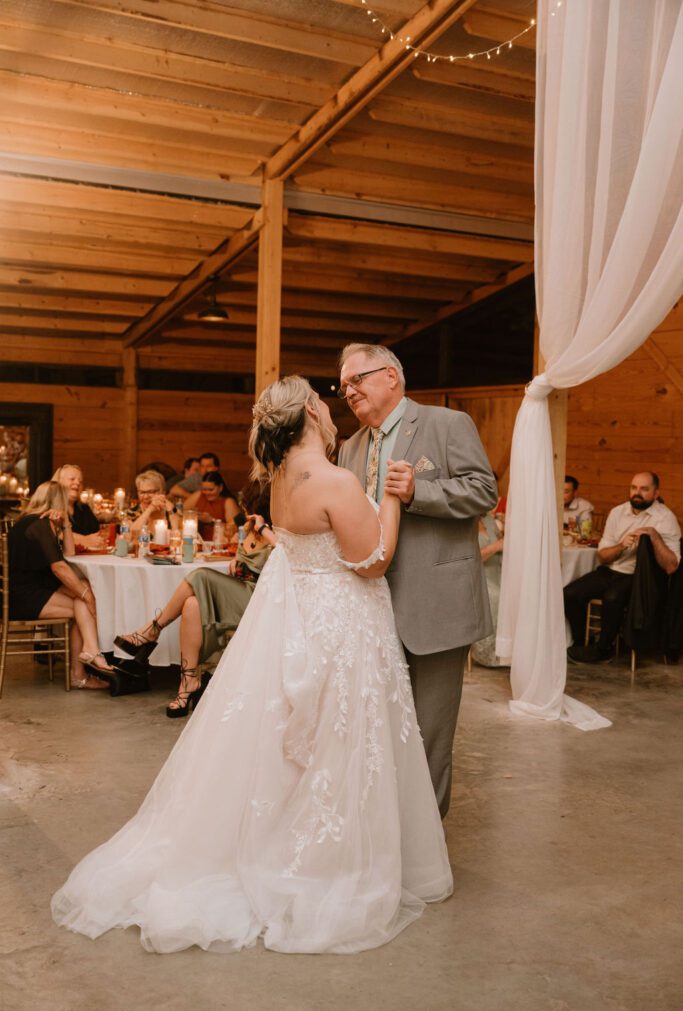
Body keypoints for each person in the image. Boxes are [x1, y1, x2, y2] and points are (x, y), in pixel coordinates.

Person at [51, 375, 452, 955]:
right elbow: (372, 561)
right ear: (312, 414)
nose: (332, 409)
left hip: (301, 618)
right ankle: (322, 860)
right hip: (341, 622)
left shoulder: (283, 480)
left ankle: (278, 839)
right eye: (324, 402)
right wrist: (390, 499)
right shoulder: (334, 481)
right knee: (336, 741)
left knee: (296, 739)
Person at [337, 343, 497, 818]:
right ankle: (383, 833)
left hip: (435, 606)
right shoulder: (350, 447)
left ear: (390, 376)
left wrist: (419, 492)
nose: (348, 392)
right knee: (379, 729)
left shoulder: (446, 424)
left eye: (356, 380)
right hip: (370, 606)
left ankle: (424, 846)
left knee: (429, 732)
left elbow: (483, 490)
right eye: (343, 386)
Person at [114, 481, 275, 717]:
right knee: (191, 604)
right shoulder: (250, 528)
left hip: (256, 598)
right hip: (237, 591)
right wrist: (237, 561)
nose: (243, 509)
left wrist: (264, 532)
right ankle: (188, 683)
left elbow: (286, 558)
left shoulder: (275, 532)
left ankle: (152, 629)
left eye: (247, 504)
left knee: (199, 575)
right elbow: (243, 558)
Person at [8, 481, 115, 689]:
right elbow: (59, 568)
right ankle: (83, 667)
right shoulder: (40, 525)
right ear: (58, 503)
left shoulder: (30, 521)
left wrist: (66, 524)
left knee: (82, 591)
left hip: (28, 590)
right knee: (82, 603)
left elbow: (70, 554)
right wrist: (86, 594)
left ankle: (88, 657)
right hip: (22, 597)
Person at [564, 472, 680, 663]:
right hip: (610, 569)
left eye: (644, 489)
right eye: (634, 488)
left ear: (656, 493)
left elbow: (671, 566)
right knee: (569, 594)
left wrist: (653, 535)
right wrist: (622, 545)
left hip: (637, 575)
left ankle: (604, 649)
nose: (637, 493)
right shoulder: (618, 512)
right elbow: (602, 556)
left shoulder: (665, 518)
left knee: (613, 597)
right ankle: (581, 641)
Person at [471, 510, 505, 668]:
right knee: (497, 597)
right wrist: (496, 546)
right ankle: (491, 653)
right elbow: (470, 558)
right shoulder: (464, 524)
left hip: (500, 573)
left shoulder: (489, 520)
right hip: (478, 578)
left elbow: (503, 543)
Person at [180, 470, 239, 541]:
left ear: (220, 487)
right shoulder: (199, 495)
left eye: (211, 490)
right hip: (198, 542)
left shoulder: (228, 502)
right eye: (204, 489)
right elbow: (181, 511)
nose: (207, 493)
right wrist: (193, 516)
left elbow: (233, 529)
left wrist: (211, 521)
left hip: (219, 543)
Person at [51, 465, 102, 547]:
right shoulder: (50, 506)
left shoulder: (84, 509)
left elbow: (98, 534)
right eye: (72, 479)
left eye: (80, 481)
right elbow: (55, 532)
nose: (78, 483)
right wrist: (85, 540)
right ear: (59, 483)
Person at [126, 470, 180, 537]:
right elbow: (131, 536)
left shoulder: (170, 510)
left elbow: (177, 535)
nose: (146, 497)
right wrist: (149, 509)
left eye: (151, 492)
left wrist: (172, 511)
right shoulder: (131, 513)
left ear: (162, 492)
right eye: (142, 492)